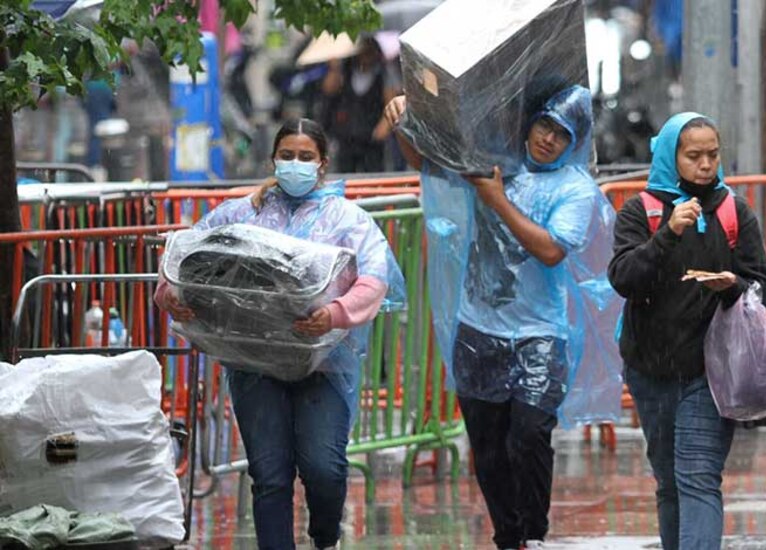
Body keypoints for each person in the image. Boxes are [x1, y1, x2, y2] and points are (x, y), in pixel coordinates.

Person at [385, 86, 621, 550]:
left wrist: (497, 200)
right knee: (488, 449)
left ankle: (533, 531)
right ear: (529, 124)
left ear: (574, 142)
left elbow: (551, 250)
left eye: (561, 134)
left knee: (529, 436)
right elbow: (429, 163)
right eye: (544, 126)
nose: (548, 140)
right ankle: (508, 536)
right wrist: (399, 121)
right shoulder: (496, 159)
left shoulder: (575, 189)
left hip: (539, 335)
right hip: (479, 329)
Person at [155, 118, 405, 550]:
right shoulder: (240, 212)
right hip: (253, 362)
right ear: (274, 159)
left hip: (322, 367)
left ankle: (325, 539)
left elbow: (375, 276)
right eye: (287, 155)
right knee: (269, 475)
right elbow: (185, 255)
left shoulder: (348, 219)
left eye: (305, 157)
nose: (295, 164)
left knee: (324, 469)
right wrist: (169, 293)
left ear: (322, 164)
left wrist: (335, 313)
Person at [607, 112, 766, 549]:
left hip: (712, 372)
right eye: (694, 156)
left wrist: (732, 286)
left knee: (699, 477)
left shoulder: (733, 210)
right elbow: (624, 277)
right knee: (669, 482)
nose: (706, 165)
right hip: (651, 370)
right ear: (671, 156)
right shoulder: (639, 211)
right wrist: (667, 233)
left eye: (713, 155)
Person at [322, 35, 402, 173]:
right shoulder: (345, 69)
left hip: (371, 136)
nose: (366, 56)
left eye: (369, 52)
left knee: (373, 172)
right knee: (345, 173)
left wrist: (383, 127)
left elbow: (390, 100)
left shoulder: (384, 73)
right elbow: (329, 90)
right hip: (346, 134)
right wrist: (334, 68)